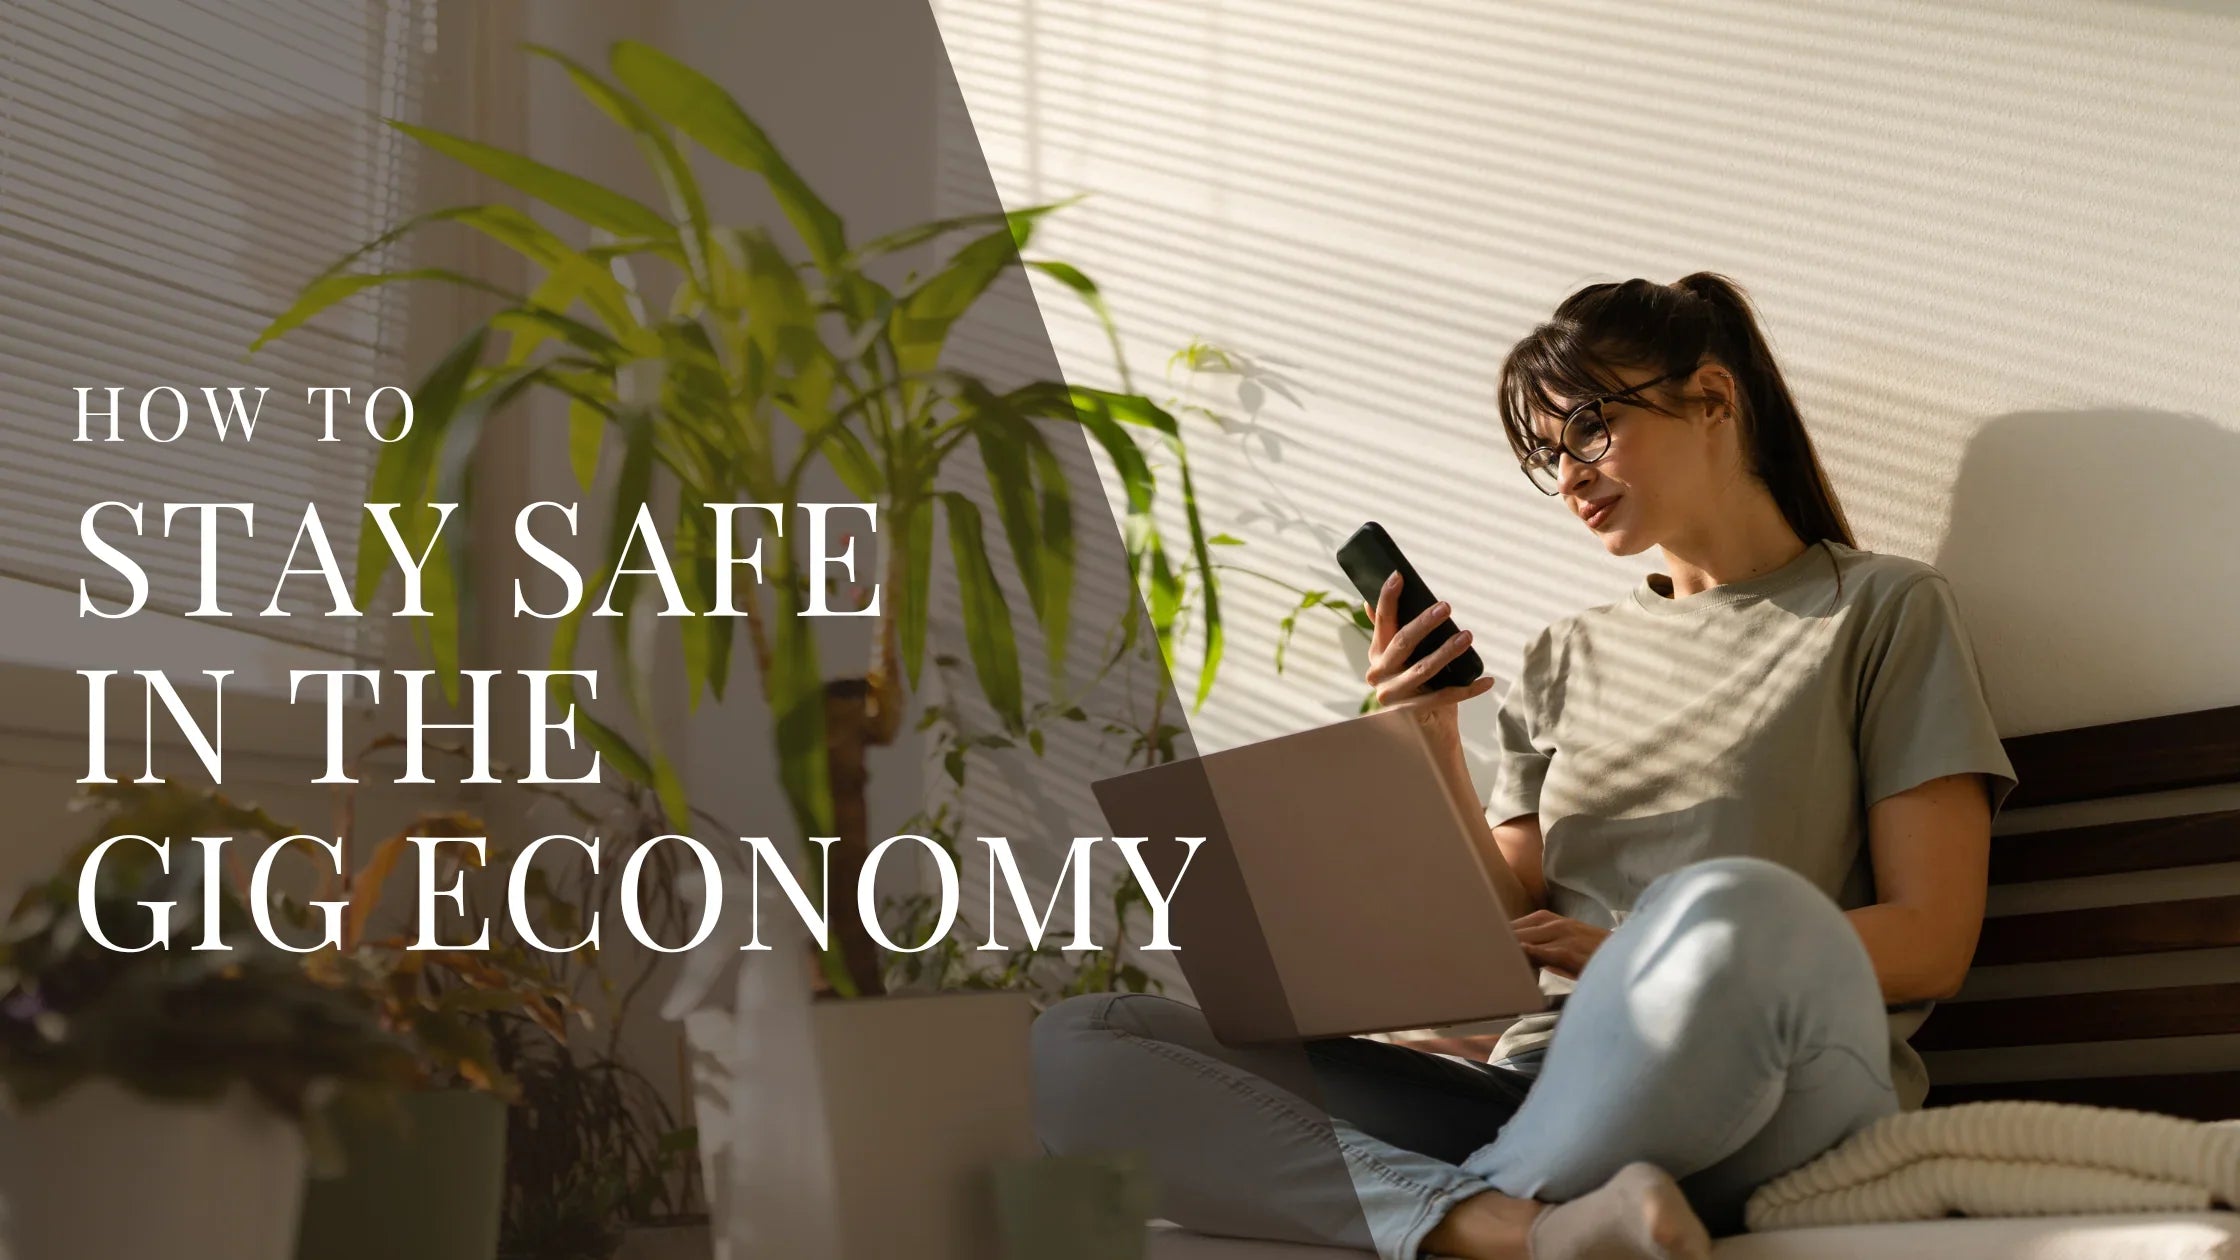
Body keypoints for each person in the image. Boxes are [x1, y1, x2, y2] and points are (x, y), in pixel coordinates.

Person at [1030, 272, 2020, 1260]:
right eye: (1546, 456)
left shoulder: (1882, 612)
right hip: (1536, 1092)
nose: (1569, 476)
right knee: (1081, 1042)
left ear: (1713, 399)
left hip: (1771, 1088)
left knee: (1733, 909)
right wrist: (1425, 742)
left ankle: (1463, 1208)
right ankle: (1514, 1228)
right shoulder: (1562, 656)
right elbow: (1504, 932)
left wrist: (1642, 965)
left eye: (1588, 428)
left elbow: (1930, 939)